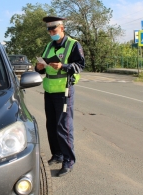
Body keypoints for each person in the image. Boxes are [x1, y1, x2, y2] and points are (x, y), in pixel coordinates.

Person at [35, 16, 85, 177]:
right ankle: (57, 155)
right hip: (49, 91)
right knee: (51, 126)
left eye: (54, 30)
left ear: (62, 28)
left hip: (64, 91)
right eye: (49, 30)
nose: (51, 33)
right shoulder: (49, 46)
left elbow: (80, 66)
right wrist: (39, 67)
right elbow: (41, 70)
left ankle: (68, 161)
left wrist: (62, 66)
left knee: (63, 127)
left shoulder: (73, 44)